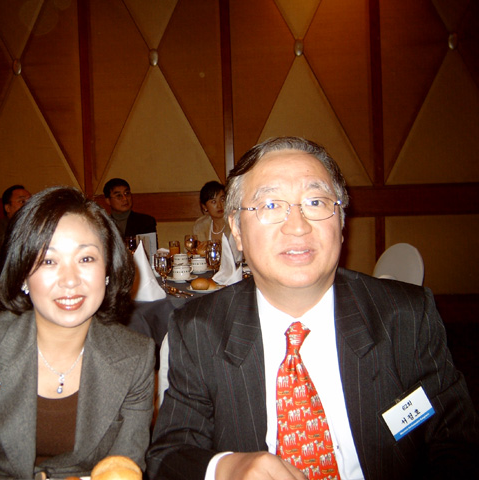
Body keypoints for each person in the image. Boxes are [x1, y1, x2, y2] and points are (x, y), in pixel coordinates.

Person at [146, 137, 478, 480]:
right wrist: (225, 468)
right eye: (271, 205)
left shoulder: (405, 316)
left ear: (341, 221)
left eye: (315, 201)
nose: (298, 226)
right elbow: (168, 456)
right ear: (237, 230)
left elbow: (456, 443)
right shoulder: (199, 329)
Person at [0, 186, 155, 479]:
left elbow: (124, 469)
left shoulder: (135, 357)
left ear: (108, 269)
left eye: (86, 259)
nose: (70, 280)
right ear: (23, 273)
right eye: (48, 261)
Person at [192, 181, 241, 263]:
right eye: (213, 202)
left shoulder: (235, 223)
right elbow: (192, 254)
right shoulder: (200, 227)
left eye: (222, 199)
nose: (219, 205)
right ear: (204, 207)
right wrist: (198, 251)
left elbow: (236, 256)